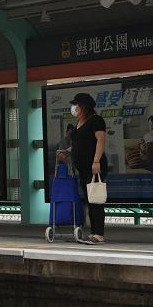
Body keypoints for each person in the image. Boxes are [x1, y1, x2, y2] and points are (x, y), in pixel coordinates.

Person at [69, 92, 108, 243]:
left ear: (83, 106)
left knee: (96, 199)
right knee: (89, 199)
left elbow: (100, 141)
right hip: (84, 168)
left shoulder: (96, 120)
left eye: (76, 105)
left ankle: (99, 233)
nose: (74, 108)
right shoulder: (79, 124)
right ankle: (93, 232)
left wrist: (96, 161)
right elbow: (78, 145)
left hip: (94, 167)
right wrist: (67, 152)